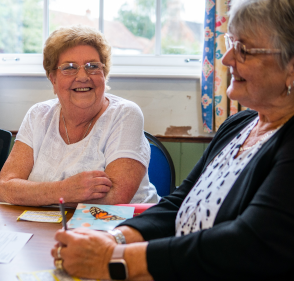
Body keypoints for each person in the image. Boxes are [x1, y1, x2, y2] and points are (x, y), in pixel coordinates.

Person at [51, 0, 294, 280]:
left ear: (290, 66)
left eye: (243, 49)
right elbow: (178, 202)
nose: (226, 59)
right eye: (230, 43)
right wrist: (116, 238)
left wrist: (113, 259)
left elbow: (248, 244)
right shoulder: (238, 124)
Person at [0, 25, 159, 206]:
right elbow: (5, 188)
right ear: (53, 78)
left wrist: (37, 194)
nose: (83, 76)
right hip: (46, 226)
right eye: (69, 68)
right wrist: (65, 190)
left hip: (125, 227)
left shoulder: (125, 113)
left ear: (104, 75)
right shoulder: (38, 115)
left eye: (92, 66)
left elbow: (115, 198)